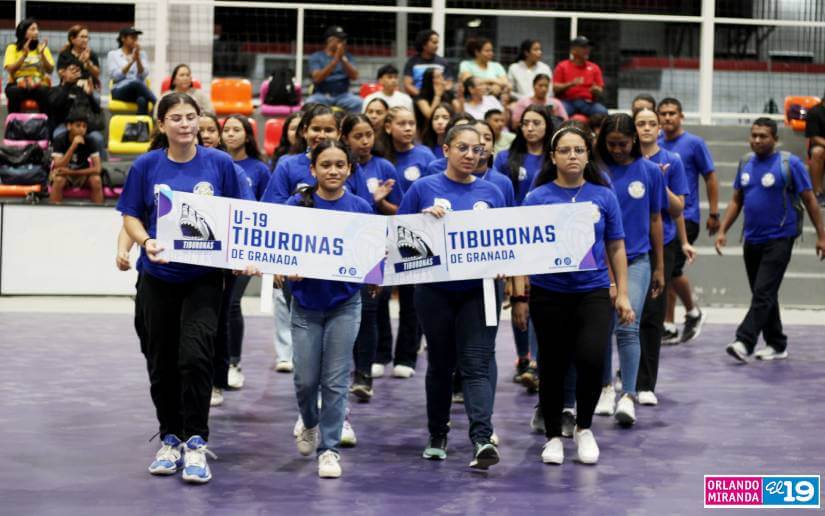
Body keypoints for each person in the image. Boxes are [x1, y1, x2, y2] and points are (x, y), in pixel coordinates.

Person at [117, 92, 245, 484]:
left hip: (204, 279)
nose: (186, 124)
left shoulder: (220, 164)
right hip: (157, 279)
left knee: (195, 358)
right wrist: (144, 242)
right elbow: (130, 214)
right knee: (161, 360)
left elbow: (244, 215)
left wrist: (244, 254)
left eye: (192, 117)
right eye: (176, 118)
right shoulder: (146, 166)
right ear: (162, 125)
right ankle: (170, 436)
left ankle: (195, 442)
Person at [515, 125, 633, 465]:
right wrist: (520, 295)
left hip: (592, 293)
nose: (572, 156)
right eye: (565, 151)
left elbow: (616, 245)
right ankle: (553, 436)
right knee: (551, 365)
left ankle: (584, 428)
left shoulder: (603, 195)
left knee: (592, 359)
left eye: (578, 150)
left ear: (587, 155)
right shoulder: (537, 198)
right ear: (553, 157)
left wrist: (621, 293)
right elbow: (522, 248)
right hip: (549, 294)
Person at [398, 124, 505, 469]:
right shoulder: (422, 189)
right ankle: (437, 434)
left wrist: (508, 268)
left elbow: (508, 240)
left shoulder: (494, 192)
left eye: (478, 150)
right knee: (441, 365)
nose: (471, 155)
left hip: (479, 291)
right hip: (434, 292)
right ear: (445, 150)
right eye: (463, 148)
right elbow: (399, 239)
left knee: (476, 364)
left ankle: (482, 439)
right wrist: (422, 221)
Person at [281, 139, 374, 478]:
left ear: (349, 169)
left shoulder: (362, 208)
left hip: (345, 305)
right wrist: (283, 269)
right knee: (306, 380)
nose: (333, 171)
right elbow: (278, 250)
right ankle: (308, 422)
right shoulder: (296, 205)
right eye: (325, 165)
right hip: (305, 305)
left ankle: (329, 449)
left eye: (339, 165)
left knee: (334, 382)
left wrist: (374, 274)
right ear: (313, 169)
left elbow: (373, 255)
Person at [717, 118, 825, 363]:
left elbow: (809, 200)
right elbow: (737, 199)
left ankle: (744, 340)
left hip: (780, 237)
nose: (757, 140)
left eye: (763, 136)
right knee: (764, 292)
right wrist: (723, 230)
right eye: (753, 135)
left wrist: (821, 236)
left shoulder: (790, 163)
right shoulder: (745, 163)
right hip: (752, 238)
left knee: (763, 292)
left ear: (775, 139)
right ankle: (777, 343)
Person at [591, 113, 665, 426]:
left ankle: (629, 394)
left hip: (637, 260)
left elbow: (655, 219)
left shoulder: (650, 172)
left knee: (627, 323)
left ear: (634, 140)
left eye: (623, 144)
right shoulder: (595, 172)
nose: (618, 149)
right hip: (596, 262)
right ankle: (606, 387)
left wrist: (660, 265)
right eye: (611, 144)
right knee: (603, 327)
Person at [633, 107, 693, 407]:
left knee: (653, 314)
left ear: (659, 129)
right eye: (640, 123)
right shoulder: (623, 161)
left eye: (651, 124)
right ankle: (622, 374)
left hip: (661, 245)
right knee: (627, 313)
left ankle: (645, 383)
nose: (646, 128)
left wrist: (659, 180)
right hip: (628, 243)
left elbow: (677, 208)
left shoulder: (673, 161)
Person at [340, 114, 401, 401]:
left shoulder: (385, 166)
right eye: (358, 136)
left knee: (369, 311)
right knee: (344, 313)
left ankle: (363, 375)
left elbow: (400, 211)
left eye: (369, 135)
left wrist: (381, 202)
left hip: (377, 249)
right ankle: (342, 372)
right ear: (345, 138)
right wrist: (370, 200)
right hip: (342, 250)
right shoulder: (342, 168)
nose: (365, 141)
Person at [374, 106, 435, 379]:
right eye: (402, 123)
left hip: (416, 233)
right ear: (388, 127)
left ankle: (406, 356)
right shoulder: (379, 157)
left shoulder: (425, 156)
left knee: (412, 297)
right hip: (381, 233)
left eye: (412, 123)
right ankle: (381, 352)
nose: (408, 128)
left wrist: (386, 205)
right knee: (380, 294)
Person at [657, 97, 719, 344]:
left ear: (681, 116)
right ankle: (669, 324)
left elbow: (711, 177)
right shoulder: (657, 144)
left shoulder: (694, 143)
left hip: (687, 215)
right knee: (668, 271)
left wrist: (714, 213)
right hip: (661, 216)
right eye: (663, 113)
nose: (668, 117)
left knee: (672, 270)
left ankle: (692, 312)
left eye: (672, 113)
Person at [220, 114, 271, 387]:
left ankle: (233, 363)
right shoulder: (215, 163)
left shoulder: (259, 169)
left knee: (232, 304)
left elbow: (266, 209)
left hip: (245, 247)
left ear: (248, 135)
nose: (230, 134)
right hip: (217, 249)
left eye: (236, 129)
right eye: (226, 129)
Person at [493, 104, 553, 205]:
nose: (530, 128)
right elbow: (495, 193)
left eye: (536, 123)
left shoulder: (555, 159)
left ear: (547, 125)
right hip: (511, 217)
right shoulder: (503, 157)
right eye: (525, 124)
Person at [49, 62, 105, 153]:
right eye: (72, 70)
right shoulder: (56, 90)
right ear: (63, 73)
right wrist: (67, 85)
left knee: (97, 138)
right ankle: (58, 164)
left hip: (85, 126)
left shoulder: (84, 89)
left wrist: (90, 96)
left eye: (78, 71)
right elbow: (56, 106)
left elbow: (97, 111)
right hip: (65, 125)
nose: (75, 73)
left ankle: (100, 166)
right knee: (57, 135)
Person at [49, 110, 103, 205]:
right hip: (64, 174)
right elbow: (58, 166)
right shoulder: (59, 140)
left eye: (84, 126)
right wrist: (73, 147)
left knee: (96, 180)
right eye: (78, 125)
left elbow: (98, 169)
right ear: (69, 126)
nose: (82, 129)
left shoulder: (91, 141)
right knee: (58, 180)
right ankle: (53, 212)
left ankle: (98, 213)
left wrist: (72, 172)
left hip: (82, 173)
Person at [307, 26, 362, 113]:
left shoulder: (347, 56)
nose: (343, 43)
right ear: (329, 40)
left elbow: (354, 76)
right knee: (310, 102)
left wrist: (343, 59)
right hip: (322, 95)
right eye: (339, 40)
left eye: (344, 40)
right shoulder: (317, 56)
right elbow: (317, 78)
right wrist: (335, 60)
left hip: (343, 95)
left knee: (358, 102)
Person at [4, 18, 54, 113]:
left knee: (45, 92)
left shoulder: (42, 48)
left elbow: (50, 70)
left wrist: (42, 54)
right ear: (23, 32)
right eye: (32, 29)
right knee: (13, 92)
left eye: (37, 29)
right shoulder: (12, 48)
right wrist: (23, 56)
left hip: (38, 85)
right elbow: (10, 69)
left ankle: (45, 124)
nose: (36, 32)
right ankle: (14, 123)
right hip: (18, 84)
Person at [552, 36, 607, 118]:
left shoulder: (594, 67)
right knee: (558, 114)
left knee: (602, 112)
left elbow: (600, 90)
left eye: (588, 47)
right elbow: (555, 88)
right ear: (573, 50)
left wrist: (596, 90)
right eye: (583, 47)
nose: (587, 50)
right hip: (568, 101)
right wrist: (571, 84)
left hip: (588, 103)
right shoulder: (562, 66)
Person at [107, 27, 156, 115]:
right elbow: (115, 76)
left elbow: (143, 75)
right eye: (132, 37)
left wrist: (138, 60)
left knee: (142, 100)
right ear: (123, 38)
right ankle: (155, 101)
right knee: (135, 82)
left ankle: (142, 127)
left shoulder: (142, 54)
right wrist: (131, 61)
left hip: (137, 92)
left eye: (136, 38)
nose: (135, 40)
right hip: (119, 90)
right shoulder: (113, 54)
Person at [403, 29, 453, 97]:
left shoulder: (443, 63)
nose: (436, 46)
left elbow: (449, 84)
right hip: (418, 98)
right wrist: (422, 96)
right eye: (434, 42)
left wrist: (438, 94)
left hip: (439, 98)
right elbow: (407, 85)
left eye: (437, 43)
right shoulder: (412, 62)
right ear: (424, 44)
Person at [414, 68, 460, 141]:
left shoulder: (447, 93)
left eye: (442, 75)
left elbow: (458, 111)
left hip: (448, 131)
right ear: (430, 80)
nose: (442, 79)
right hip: (427, 134)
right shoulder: (421, 97)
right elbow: (430, 115)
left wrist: (456, 93)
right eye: (438, 76)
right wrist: (437, 95)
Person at [803, 92, 825, 205]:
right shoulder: (814, 112)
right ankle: (818, 193)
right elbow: (814, 138)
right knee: (817, 152)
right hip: (821, 147)